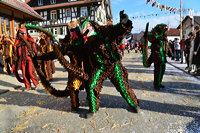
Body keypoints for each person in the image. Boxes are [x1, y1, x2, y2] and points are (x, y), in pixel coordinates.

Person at [143, 23, 171, 90]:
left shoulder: (164, 37)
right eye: (164, 29)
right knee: (157, 71)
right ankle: (156, 85)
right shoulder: (154, 35)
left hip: (163, 56)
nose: (165, 31)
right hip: (157, 56)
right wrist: (157, 36)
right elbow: (149, 37)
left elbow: (167, 45)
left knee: (162, 70)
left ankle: (159, 83)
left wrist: (170, 53)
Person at [13, 22, 39, 90]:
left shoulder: (30, 41)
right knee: (24, 74)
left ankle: (36, 84)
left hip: (30, 59)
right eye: (21, 33)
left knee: (30, 72)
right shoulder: (17, 43)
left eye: (23, 33)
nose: (22, 35)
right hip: (22, 60)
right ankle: (27, 86)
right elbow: (16, 55)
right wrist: (14, 64)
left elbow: (33, 50)